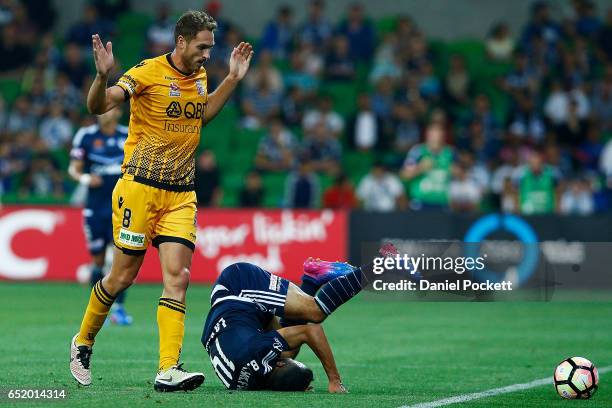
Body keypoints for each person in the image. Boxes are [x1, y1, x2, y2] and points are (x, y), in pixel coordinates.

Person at [69, 10, 254, 392]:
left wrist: (233, 79)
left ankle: (168, 369)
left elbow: (200, 117)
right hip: (140, 189)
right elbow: (98, 107)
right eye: (203, 47)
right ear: (181, 41)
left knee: (179, 279)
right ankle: (83, 341)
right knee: (122, 277)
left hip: (181, 194)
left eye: (211, 48)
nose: (208, 55)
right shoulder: (147, 72)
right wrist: (102, 76)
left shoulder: (200, 76)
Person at [202, 258, 368, 392]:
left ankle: (380, 265)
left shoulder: (259, 351)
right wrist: (295, 385)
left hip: (238, 287)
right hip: (233, 314)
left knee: (316, 313)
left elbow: (312, 331)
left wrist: (334, 380)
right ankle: (312, 280)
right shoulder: (247, 384)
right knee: (288, 351)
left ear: (280, 364)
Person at [68, 107, 132, 325]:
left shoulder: (129, 134)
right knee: (97, 259)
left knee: (120, 262)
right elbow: (73, 169)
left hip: (122, 209)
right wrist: (86, 178)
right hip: (95, 208)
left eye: (111, 108)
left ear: (118, 113)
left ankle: (120, 309)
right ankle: (98, 310)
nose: (105, 112)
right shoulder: (86, 135)